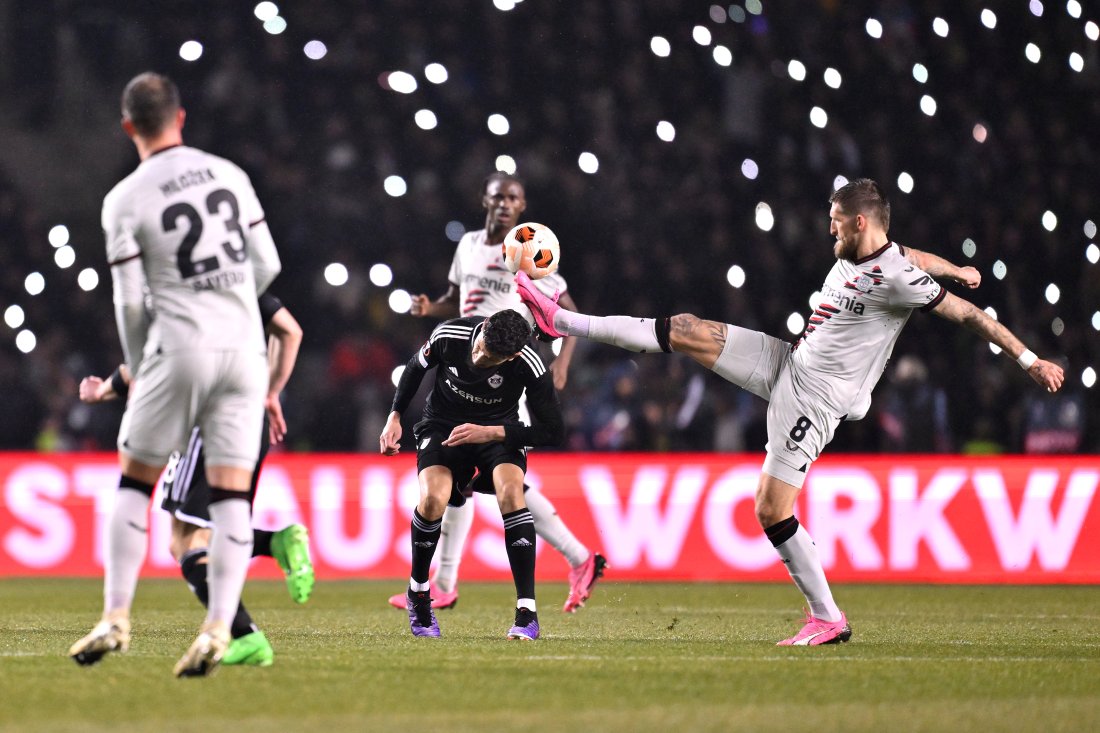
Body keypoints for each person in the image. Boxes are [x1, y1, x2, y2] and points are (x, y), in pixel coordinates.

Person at [515, 178, 1065, 645]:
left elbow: (970, 317)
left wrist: (1029, 358)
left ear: (857, 224)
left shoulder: (894, 279)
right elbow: (915, 256)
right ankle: (560, 322)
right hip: (789, 362)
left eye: (834, 221)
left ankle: (827, 618)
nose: (828, 229)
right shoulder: (888, 255)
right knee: (685, 329)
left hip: (818, 396)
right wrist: (957, 267)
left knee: (770, 510)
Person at [68, 72, 282, 676]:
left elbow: (130, 302)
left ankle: (115, 616)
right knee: (231, 497)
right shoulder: (231, 175)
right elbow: (267, 264)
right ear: (181, 118)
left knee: (136, 484)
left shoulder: (125, 199)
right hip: (244, 350)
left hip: (179, 347)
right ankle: (219, 626)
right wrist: (229, 296)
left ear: (129, 126)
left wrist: (138, 365)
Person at [391, 171, 604, 614]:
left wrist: (561, 364)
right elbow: (459, 296)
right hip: (465, 355)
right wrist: (432, 308)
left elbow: (570, 313)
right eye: (498, 197)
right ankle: (446, 583)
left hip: (507, 371)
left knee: (497, 479)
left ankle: (576, 556)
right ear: (484, 200)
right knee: (459, 476)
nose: (505, 204)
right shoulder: (468, 244)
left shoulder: (526, 252)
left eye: (513, 198)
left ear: (522, 206)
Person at [76, 292, 313, 667]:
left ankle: (245, 633)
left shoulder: (173, 282)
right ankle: (273, 544)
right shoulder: (240, 278)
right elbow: (290, 331)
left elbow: (151, 357)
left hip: (204, 415)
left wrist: (103, 390)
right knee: (214, 524)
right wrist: (270, 392)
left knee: (185, 539)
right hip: (247, 411)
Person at [379, 309, 564, 640]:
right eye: (482, 348)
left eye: (492, 359)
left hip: (496, 433)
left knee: (511, 492)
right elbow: (414, 368)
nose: (480, 359)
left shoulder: (529, 365)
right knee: (433, 499)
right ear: (485, 327)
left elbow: (552, 431)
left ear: (513, 356)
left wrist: (491, 433)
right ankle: (419, 594)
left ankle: (527, 613)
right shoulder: (449, 335)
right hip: (442, 427)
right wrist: (394, 416)